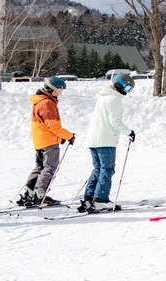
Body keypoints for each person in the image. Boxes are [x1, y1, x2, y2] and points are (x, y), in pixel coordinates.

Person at [79, 73, 136, 212]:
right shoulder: (114, 99)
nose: (127, 92)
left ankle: (89, 197)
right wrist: (129, 132)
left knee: (98, 168)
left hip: (94, 139)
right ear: (120, 85)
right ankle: (101, 199)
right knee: (107, 169)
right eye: (127, 88)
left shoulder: (103, 98)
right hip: (106, 141)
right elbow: (115, 122)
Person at [20, 76, 75, 206]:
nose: (59, 94)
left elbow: (46, 125)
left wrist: (60, 137)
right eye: (59, 91)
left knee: (40, 167)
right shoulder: (47, 103)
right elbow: (53, 126)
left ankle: (30, 192)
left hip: (40, 140)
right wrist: (69, 136)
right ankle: (39, 194)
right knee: (49, 168)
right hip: (48, 142)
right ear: (51, 90)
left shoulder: (39, 101)